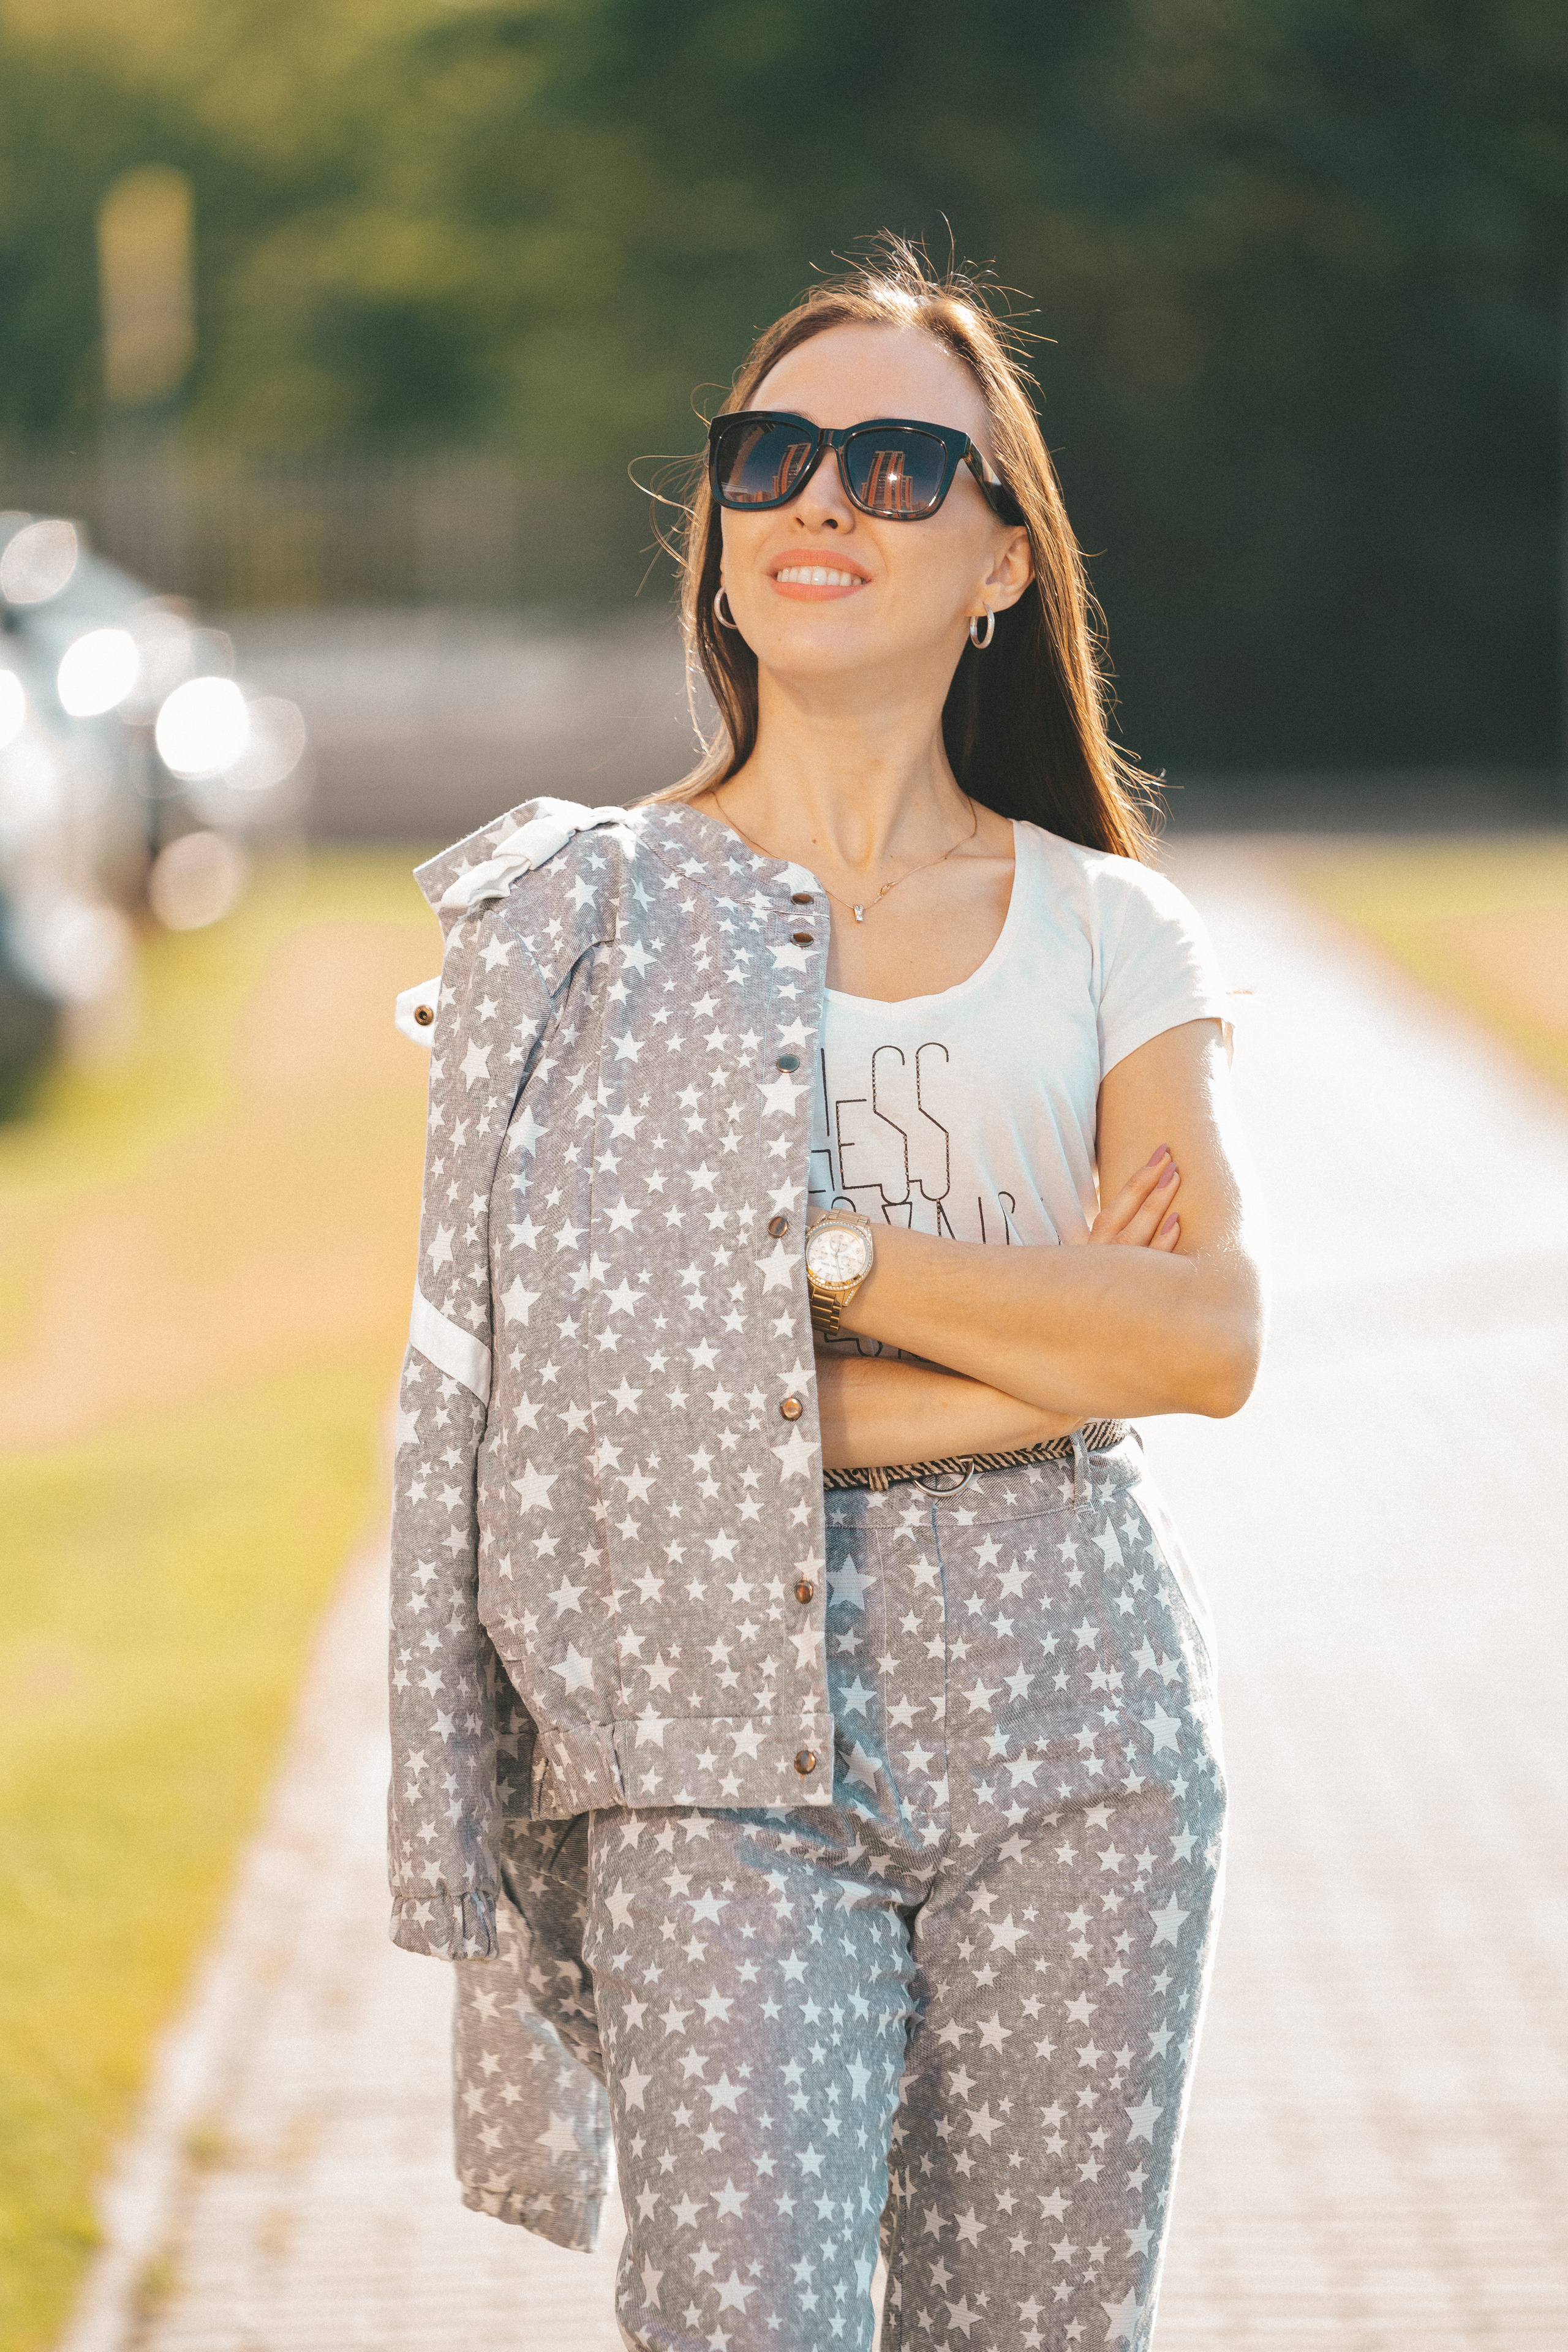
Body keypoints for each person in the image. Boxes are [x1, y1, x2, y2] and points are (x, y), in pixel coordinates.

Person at [388, 241, 1265, 2352]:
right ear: (714, 535)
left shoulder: (1107, 925)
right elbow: (577, 1422)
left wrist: (826, 1277)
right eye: (773, 455)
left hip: (1081, 1726)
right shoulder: (571, 928)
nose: (822, 501)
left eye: (895, 464)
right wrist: (1044, 1336)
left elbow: (1207, 1341)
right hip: (707, 1739)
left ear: (999, 559)